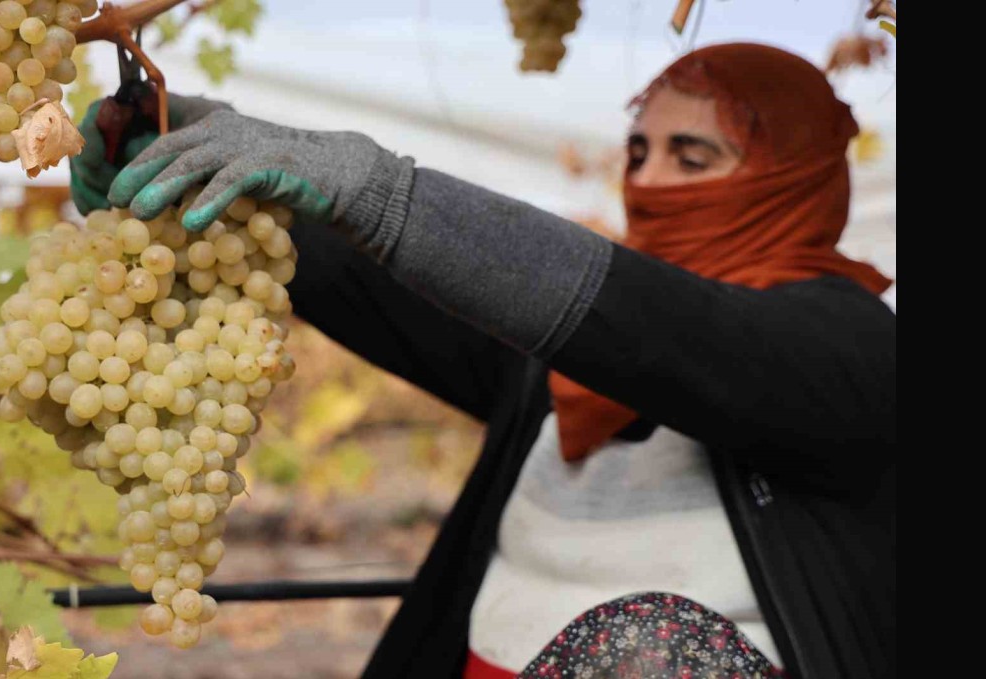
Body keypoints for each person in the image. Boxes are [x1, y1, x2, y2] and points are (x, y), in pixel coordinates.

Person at [70, 42, 896, 679]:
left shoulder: (851, 353)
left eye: (693, 156)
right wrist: (197, 155)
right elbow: (401, 283)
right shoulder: (564, 370)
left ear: (795, 178)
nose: (648, 181)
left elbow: (660, 329)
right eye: (638, 152)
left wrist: (379, 188)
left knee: (652, 646)